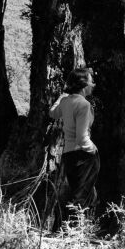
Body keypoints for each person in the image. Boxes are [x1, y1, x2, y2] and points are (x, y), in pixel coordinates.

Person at [49, 67, 100, 214]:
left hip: (68, 154)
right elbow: (82, 137)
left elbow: (52, 113)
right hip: (83, 155)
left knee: (83, 193)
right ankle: (74, 230)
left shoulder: (65, 102)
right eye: (91, 82)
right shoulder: (84, 105)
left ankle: (78, 230)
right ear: (83, 84)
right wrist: (93, 150)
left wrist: (61, 97)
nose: (93, 85)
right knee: (82, 197)